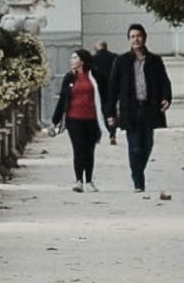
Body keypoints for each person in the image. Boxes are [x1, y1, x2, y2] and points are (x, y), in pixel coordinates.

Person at [107, 23, 172, 195]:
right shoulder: (121, 61)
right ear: (129, 40)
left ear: (144, 38)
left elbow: (164, 82)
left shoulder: (155, 60)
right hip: (131, 109)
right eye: (133, 36)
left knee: (147, 144)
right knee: (135, 146)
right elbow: (113, 89)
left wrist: (166, 97)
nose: (136, 39)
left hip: (149, 108)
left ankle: (137, 170)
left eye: (139, 36)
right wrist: (110, 113)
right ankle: (138, 181)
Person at [51, 48, 111, 192]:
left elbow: (106, 97)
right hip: (74, 119)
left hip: (92, 119)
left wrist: (110, 115)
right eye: (72, 58)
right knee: (78, 149)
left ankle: (89, 181)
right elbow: (62, 100)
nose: (71, 60)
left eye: (74, 57)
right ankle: (79, 180)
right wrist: (55, 120)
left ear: (82, 61)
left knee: (89, 150)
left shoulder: (96, 77)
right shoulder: (69, 77)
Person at [88, 40, 117, 142]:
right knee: (111, 112)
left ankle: (98, 135)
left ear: (97, 47)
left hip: (98, 89)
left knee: (98, 112)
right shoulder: (114, 57)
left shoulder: (92, 59)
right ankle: (112, 134)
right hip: (112, 89)